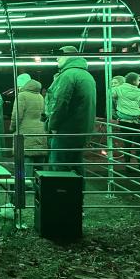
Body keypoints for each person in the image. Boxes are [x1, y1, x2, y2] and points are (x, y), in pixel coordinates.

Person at [45, 46, 97, 179]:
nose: (57, 58)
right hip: (82, 130)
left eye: (59, 56)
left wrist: (53, 125)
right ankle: (78, 192)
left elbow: (60, 103)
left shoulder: (68, 75)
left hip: (66, 131)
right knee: (76, 165)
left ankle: (61, 192)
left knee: (59, 168)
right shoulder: (87, 76)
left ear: (69, 56)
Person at [9, 76, 47, 179]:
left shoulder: (22, 96)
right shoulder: (40, 96)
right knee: (39, 164)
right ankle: (39, 184)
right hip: (40, 132)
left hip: (25, 133)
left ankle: (26, 183)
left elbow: (17, 116)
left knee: (26, 163)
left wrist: (12, 128)